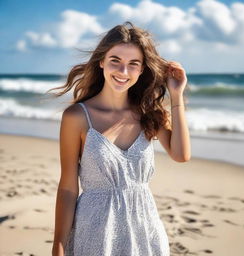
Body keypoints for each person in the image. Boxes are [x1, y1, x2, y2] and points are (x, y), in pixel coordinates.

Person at [51, 21, 191, 256]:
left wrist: (177, 95)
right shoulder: (77, 117)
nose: (123, 72)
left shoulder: (149, 113)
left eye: (133, 64)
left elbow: (181, 155)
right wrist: (59, 243)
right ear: (102, 61)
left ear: (142, 69)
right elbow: (67, 187)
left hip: (146, 230)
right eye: (115, 60)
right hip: (95, 231)